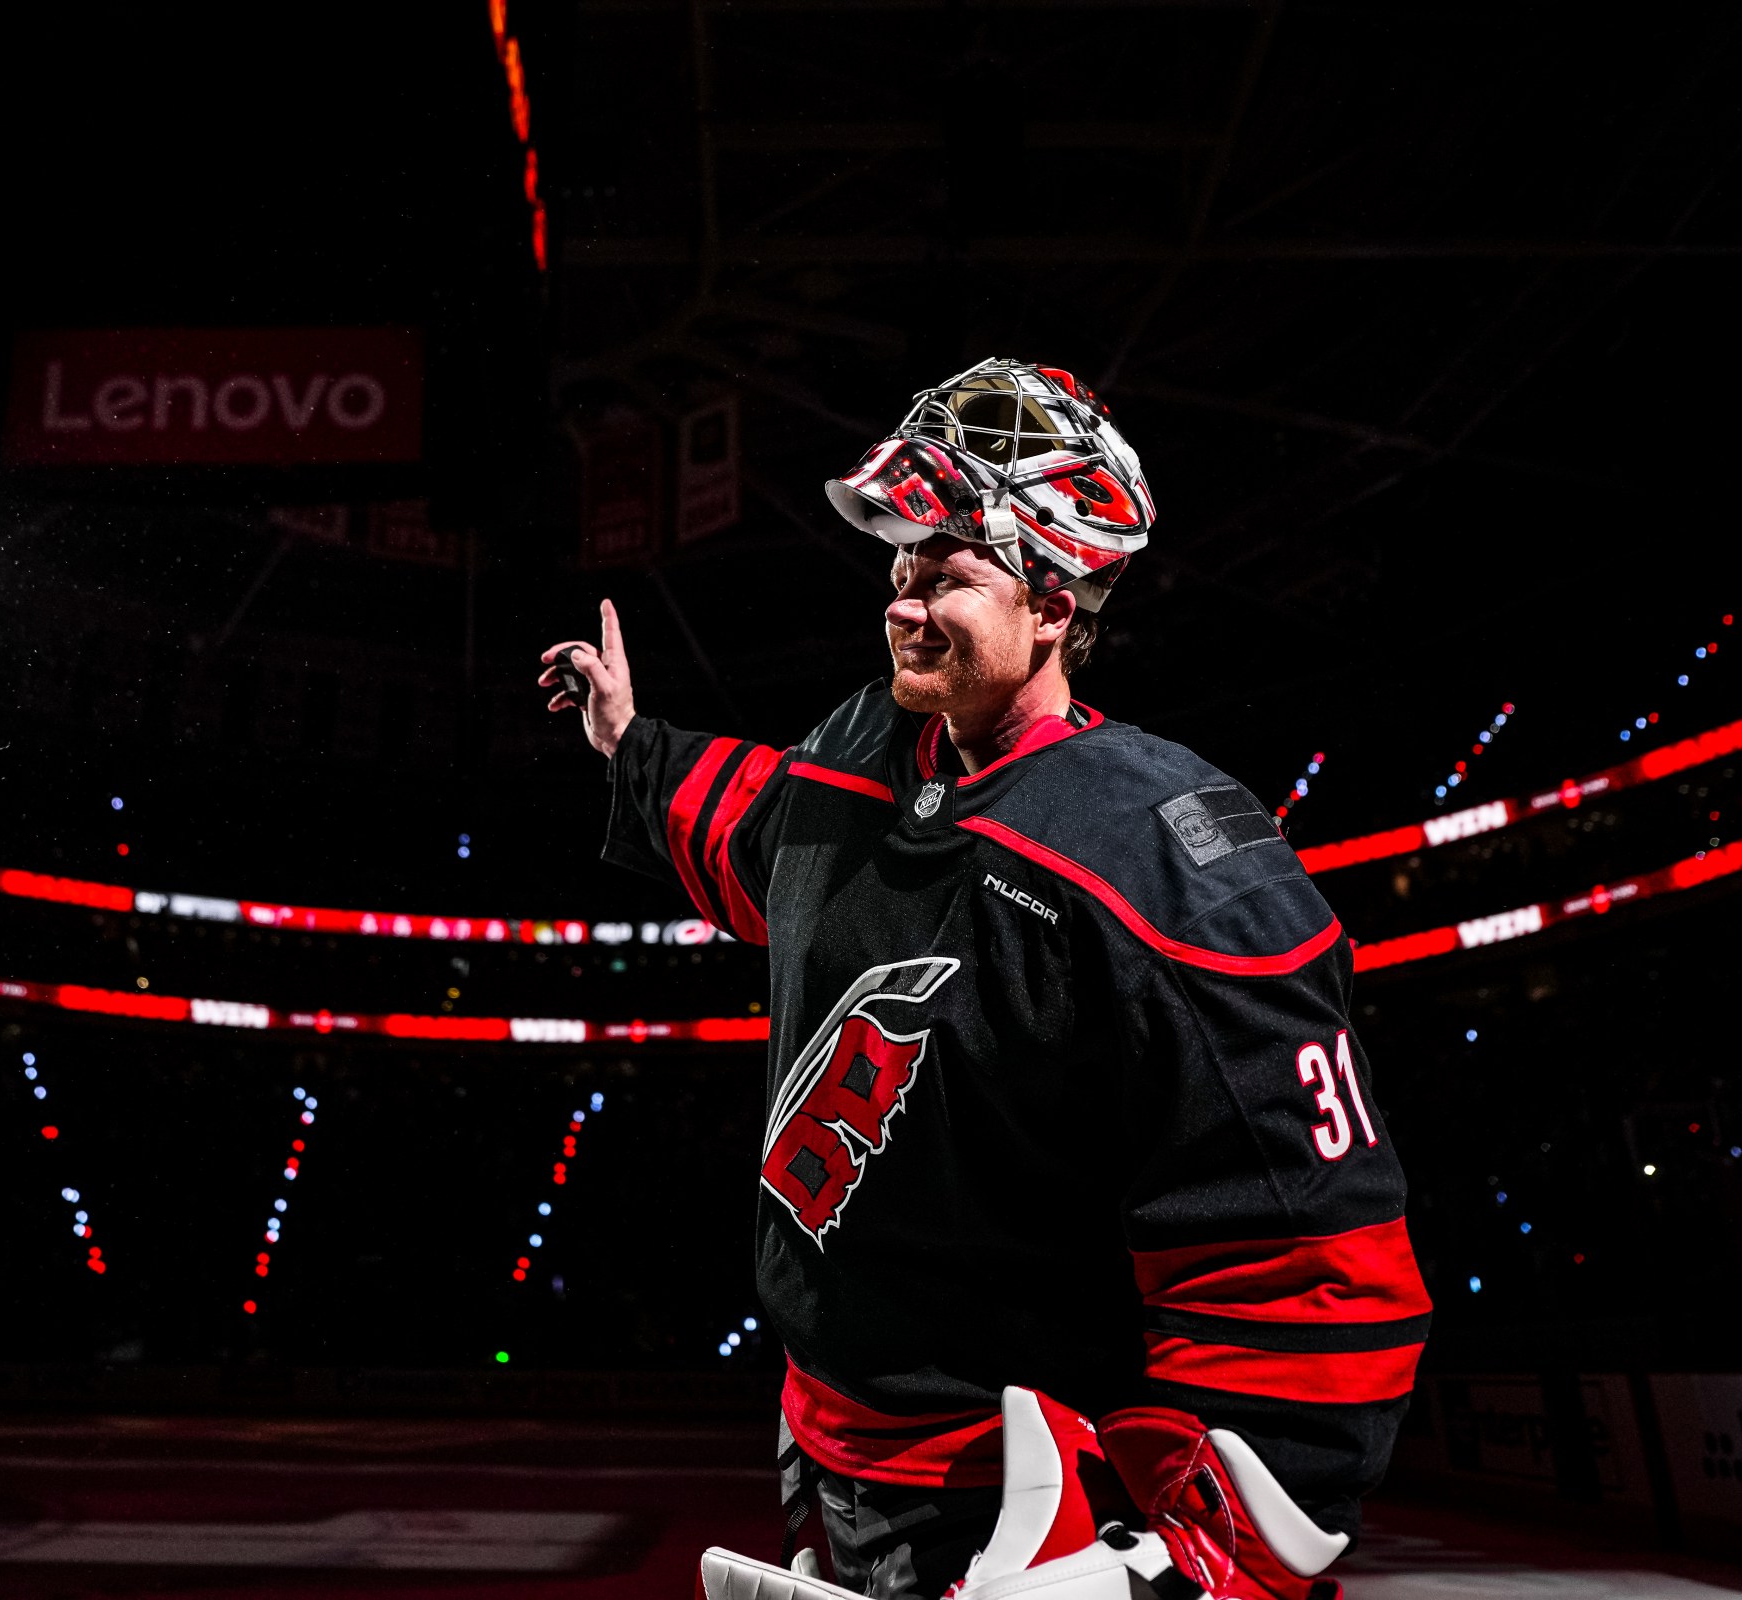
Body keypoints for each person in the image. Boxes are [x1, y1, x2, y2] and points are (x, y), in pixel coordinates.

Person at [538, 360, 1427, 1600]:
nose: (903, 604)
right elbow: (765, 842)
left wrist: (1209, 1558)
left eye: (947, 573)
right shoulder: (861, 745)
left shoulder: (1170, 859)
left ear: (1056, 602)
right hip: (835, 1447)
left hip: (1037, 1502)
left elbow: (1316, 1252)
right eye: (902, 569)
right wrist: (634, 748)